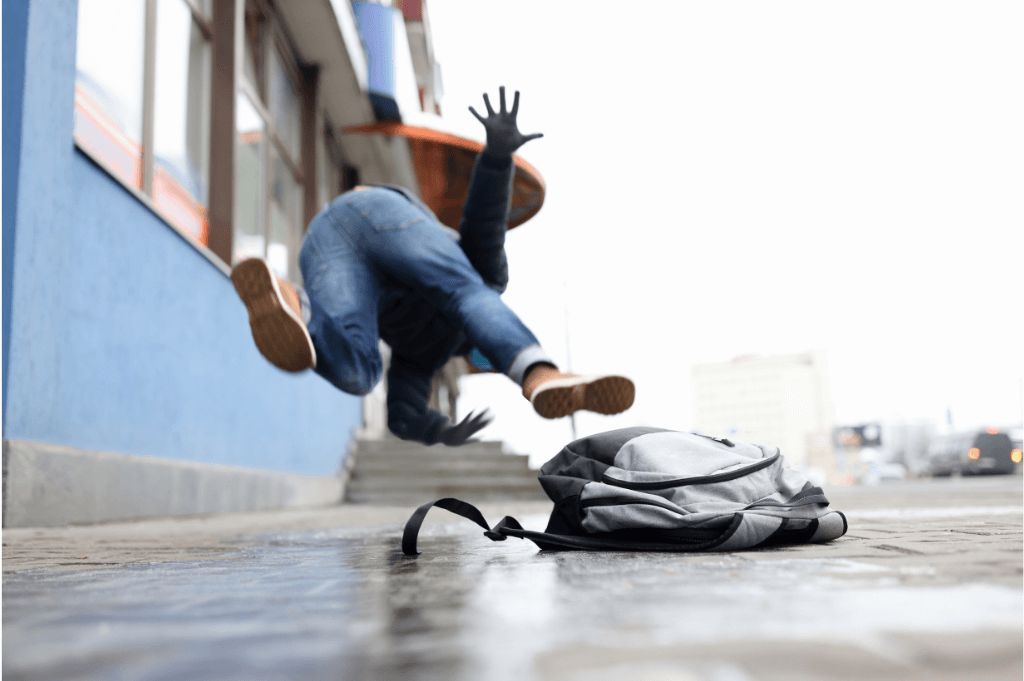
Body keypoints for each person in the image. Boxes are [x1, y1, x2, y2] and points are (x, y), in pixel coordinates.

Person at [231, 88, 634, 446]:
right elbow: (483, 225)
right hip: (381, 214)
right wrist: (496, 159)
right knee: (472, 290)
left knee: (360, 371)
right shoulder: (485, 281)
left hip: (328, 241)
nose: (480, 355)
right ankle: (539, 373)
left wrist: (438, 431)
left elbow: (402, 414)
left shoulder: (422, 357)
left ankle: (292, 306)